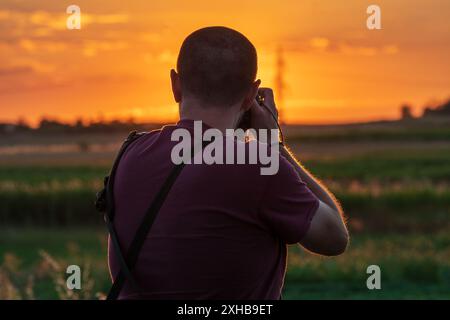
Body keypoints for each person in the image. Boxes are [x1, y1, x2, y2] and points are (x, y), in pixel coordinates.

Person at [109, 26, 348, 299]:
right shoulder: (259, 165)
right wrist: (273, 145)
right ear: (251, 95)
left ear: (175, 84)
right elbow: (334, 238)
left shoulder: (131, 152)